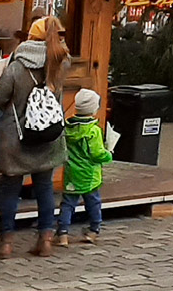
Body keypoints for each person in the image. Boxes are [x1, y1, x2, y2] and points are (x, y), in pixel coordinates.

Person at [0, 15, 68, 258]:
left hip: (16, 137)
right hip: (48, 134)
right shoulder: (62, 62)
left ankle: (6, 243)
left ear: (32, 36)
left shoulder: (17, 65)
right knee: (44, 188)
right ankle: (45, 239)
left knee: (10, 189)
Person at [56, 90, 111, 245]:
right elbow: (97, 153)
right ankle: (93, 230)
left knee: (67, 204)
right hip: (90, 174)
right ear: (94, 109)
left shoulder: (67, 127)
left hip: (71, 173)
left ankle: (63, 234)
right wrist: (109, 155)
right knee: (93, 202)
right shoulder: (93, 130)